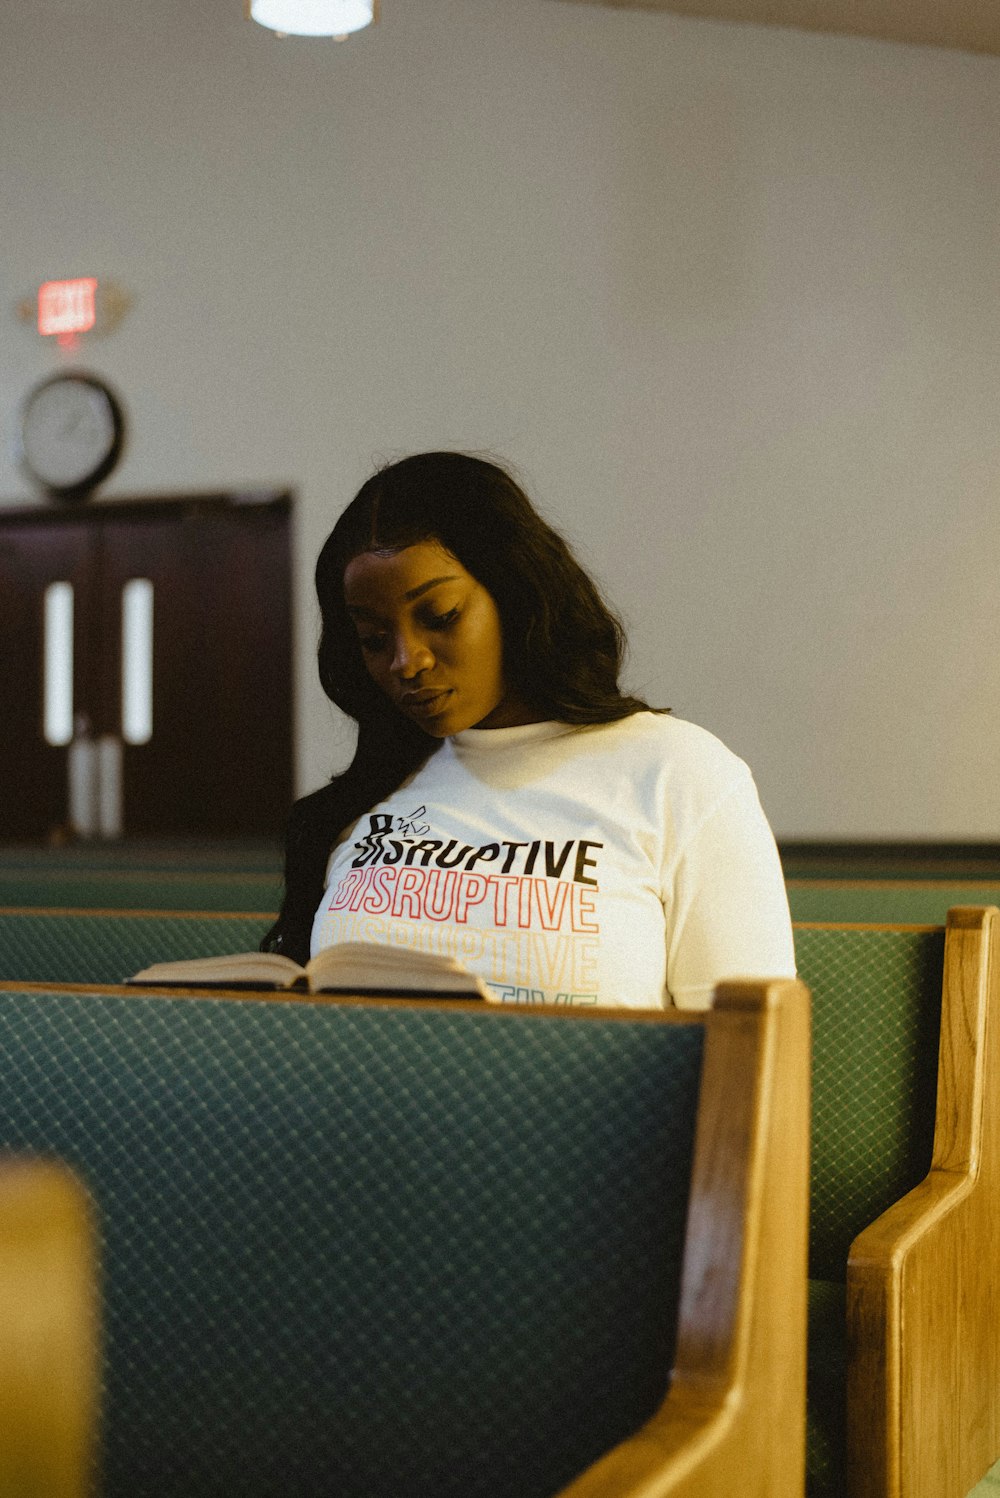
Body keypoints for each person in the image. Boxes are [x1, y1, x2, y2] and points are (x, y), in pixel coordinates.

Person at [263, 451, 795, 1008]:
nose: (406, 661)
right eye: (374, 639)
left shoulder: (678, 772)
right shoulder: (373, 789)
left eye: (440, 616)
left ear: (516, 597)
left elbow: (753, 1042)